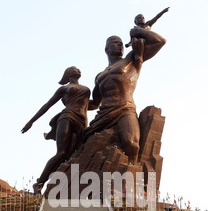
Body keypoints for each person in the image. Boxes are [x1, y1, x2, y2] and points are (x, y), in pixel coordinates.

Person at [85, 28, 166, 165]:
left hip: (125, 108)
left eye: (122, 43)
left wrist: (138, 31)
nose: (120, 45)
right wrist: (74, 104)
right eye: (116, 43)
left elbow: (160, 41)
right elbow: (94, 103)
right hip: (104, 113)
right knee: (85, 142)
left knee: (132, 144)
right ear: (106, 49)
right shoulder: (100, 76)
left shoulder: (132, 59)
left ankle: (130, 180)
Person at [21, 67, 91, 194]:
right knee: (61, 153)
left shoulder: (86, 89)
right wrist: (31, 121)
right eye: (74, 69)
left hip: (81, 121)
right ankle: (39, 183)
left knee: (69, 157)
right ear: (68, 74)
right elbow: (47, 105)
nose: (78, 70)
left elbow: (88, 106)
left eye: (78, 68)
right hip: (67, 117)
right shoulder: (64, 89)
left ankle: (59, 184)